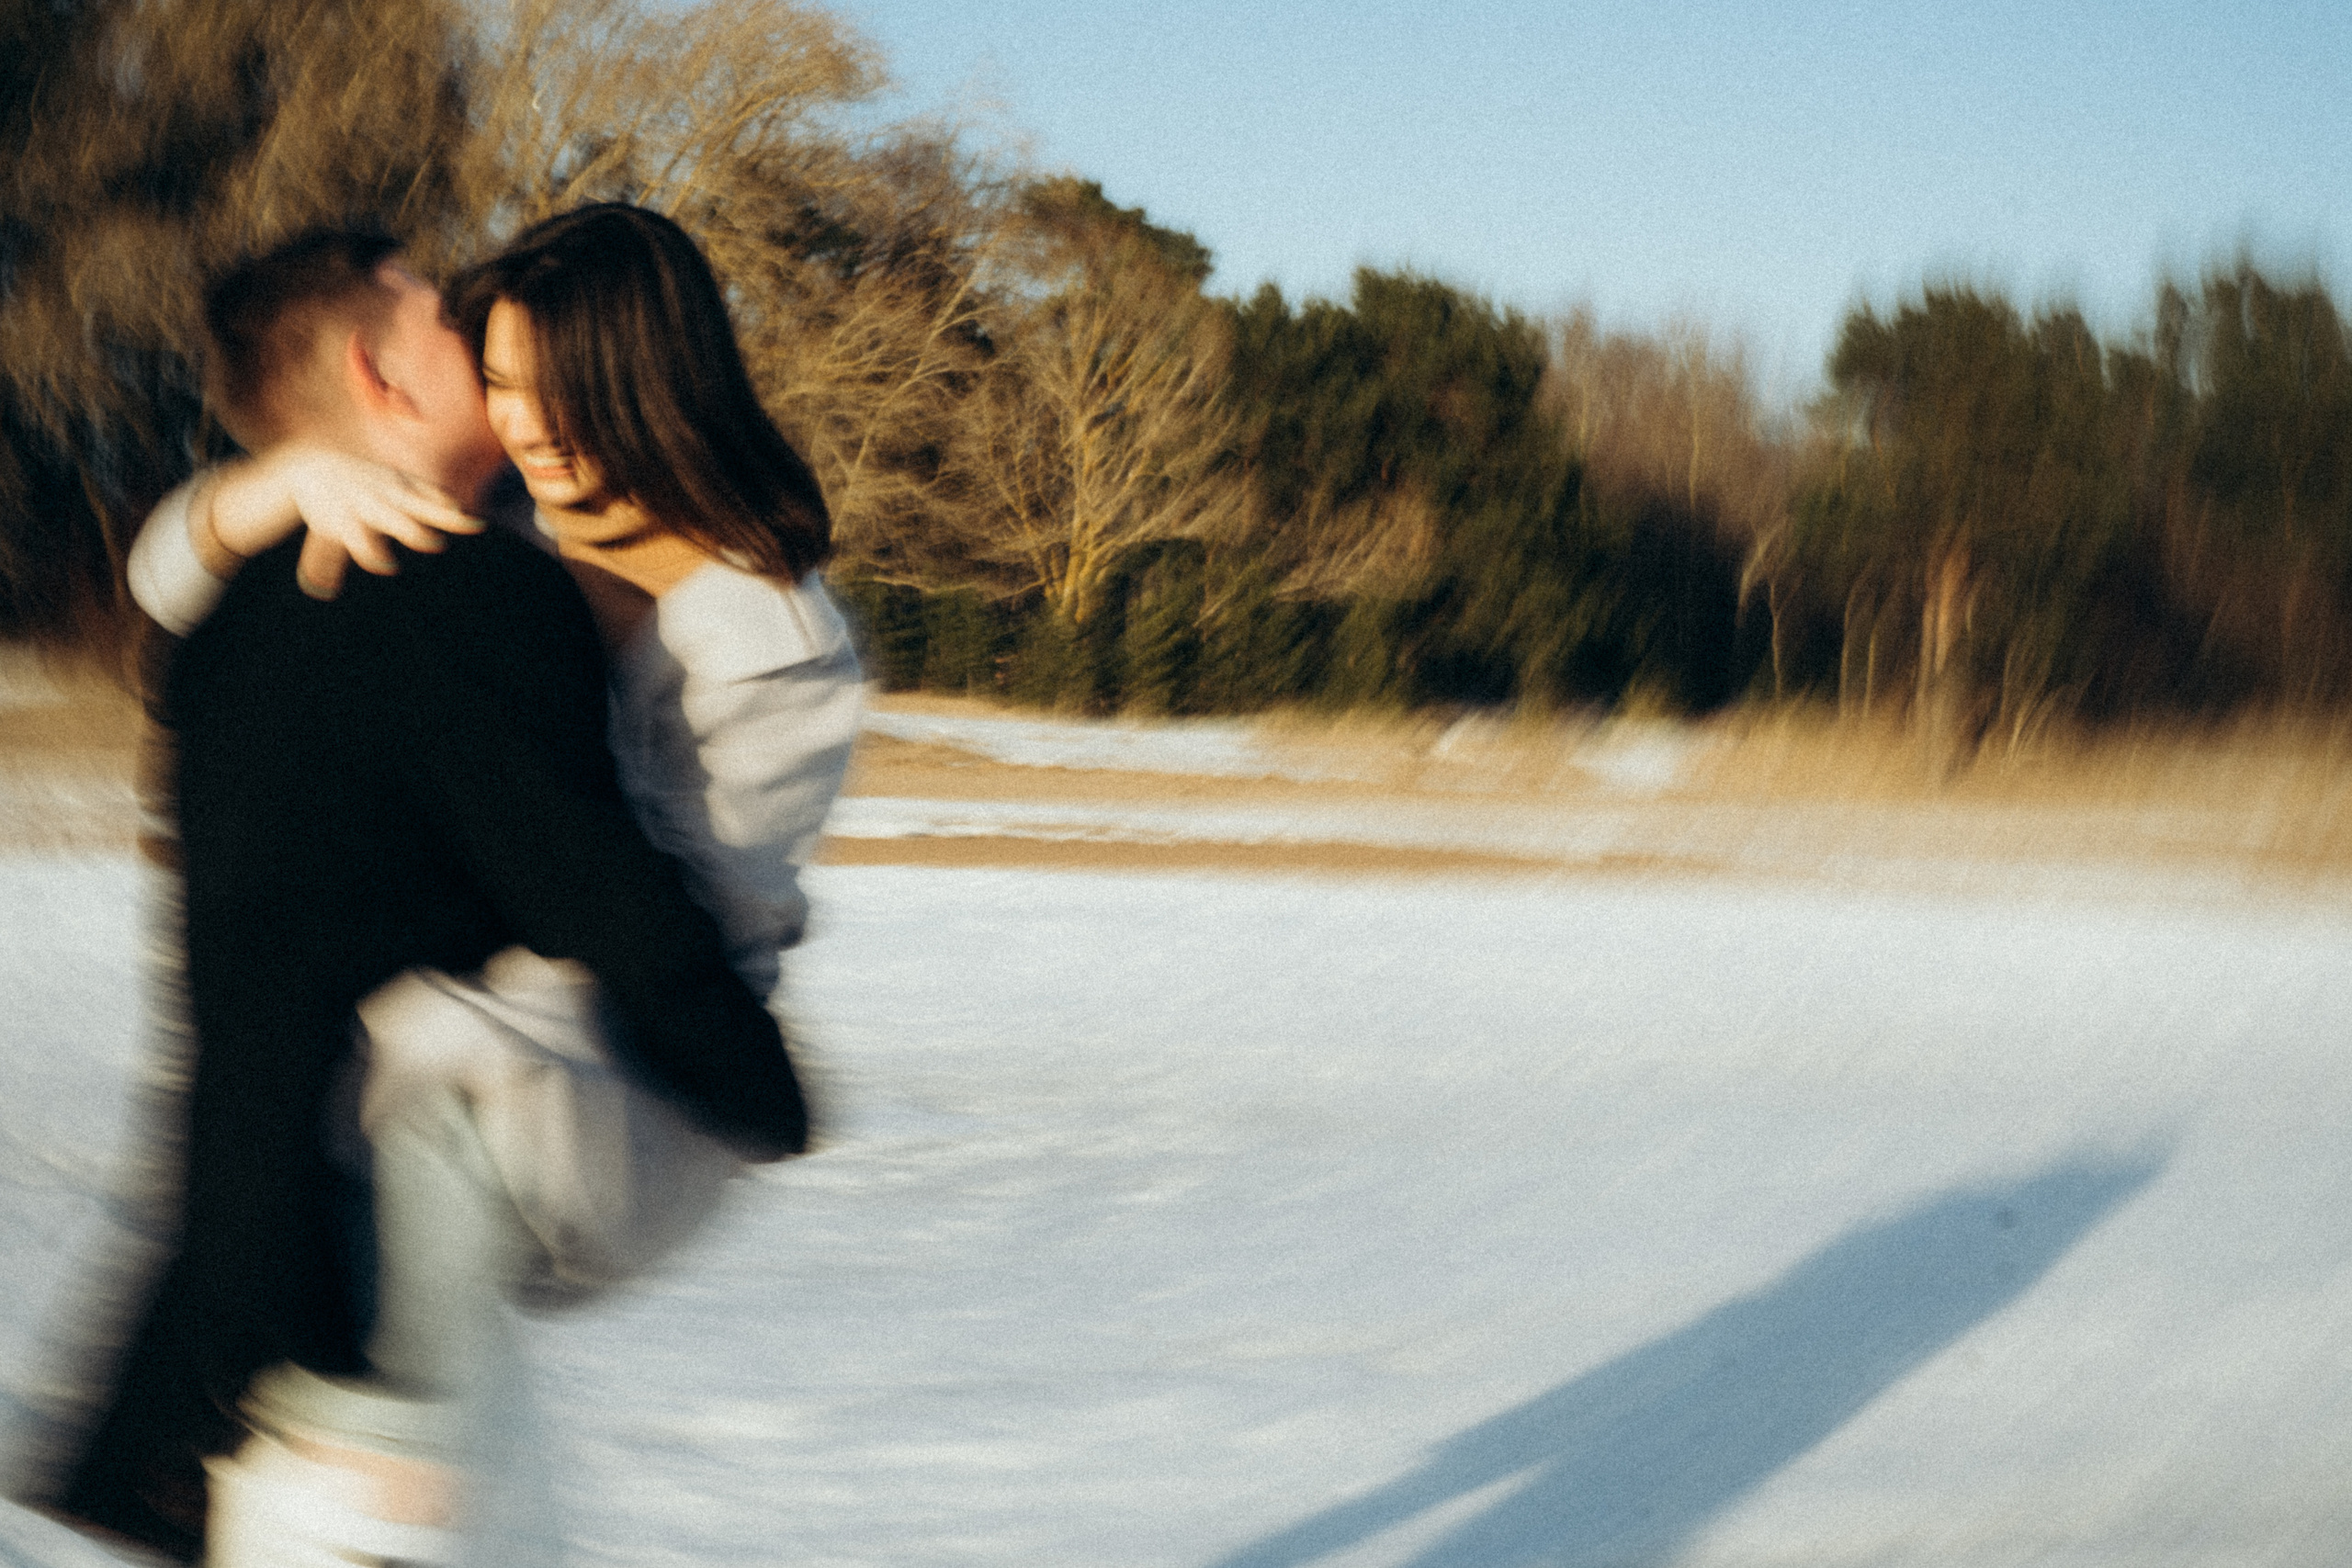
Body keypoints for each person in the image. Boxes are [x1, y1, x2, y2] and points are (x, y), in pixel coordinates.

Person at [37, 228, 816, 1566]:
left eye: (543, 376)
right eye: (486, 364)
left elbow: (695, 895)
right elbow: (601, 888)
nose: (527, 416)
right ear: (377, 374)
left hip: (312, 1164)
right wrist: (766, 1092)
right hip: (389, 1175)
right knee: (396, 1510)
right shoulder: (453, 571)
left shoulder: (280, 590)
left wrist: (266, 493)